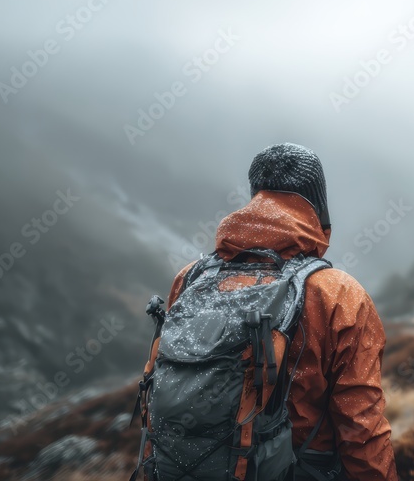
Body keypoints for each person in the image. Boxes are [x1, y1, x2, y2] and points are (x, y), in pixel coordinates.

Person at [149, 143, 397, 480]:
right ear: (318, 207)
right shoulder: (337, 293)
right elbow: (361, 430)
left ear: (255, 197)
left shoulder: (190, 277)